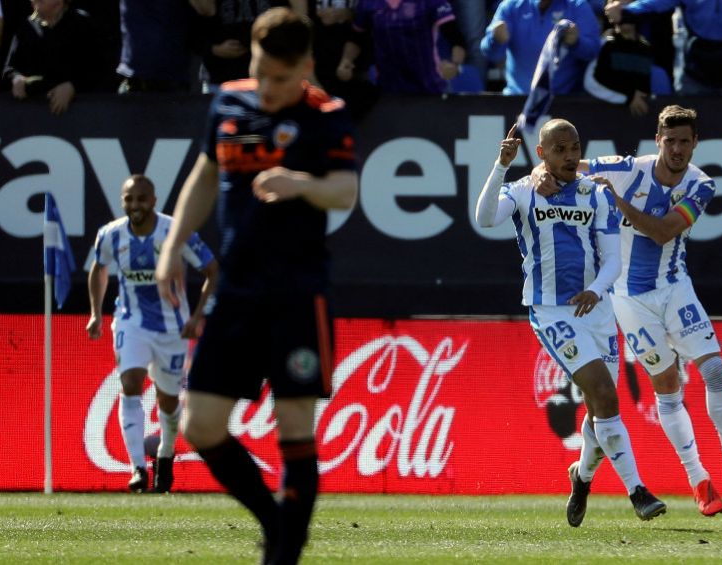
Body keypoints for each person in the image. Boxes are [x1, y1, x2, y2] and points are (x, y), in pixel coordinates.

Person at [156, 8, 358, 563]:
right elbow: (205, 174)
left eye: (281, 78)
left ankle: (284, 551)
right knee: (199, 425)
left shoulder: (327, 114)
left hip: (297, 293)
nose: (268, 88)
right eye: (261, 72)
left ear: (307, 68)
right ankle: (277, 523)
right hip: (235, 294)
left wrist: (300, 183)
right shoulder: (226, 101)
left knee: (294, 423)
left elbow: (344, 190)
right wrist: (173, 248)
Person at [534, 105, 722, 517]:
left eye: (685, 141)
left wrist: (617, 202)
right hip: (628, 299)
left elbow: (662, 233)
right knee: (666, 386)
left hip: (675, 286)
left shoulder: (702, 185)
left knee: (714, 370)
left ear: (696, 143)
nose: (677, 149)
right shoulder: (627, 167)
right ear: (657, 141)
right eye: (670, 140)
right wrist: (539, 174)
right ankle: (698, 479)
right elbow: (565, 162)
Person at [475, 118, 667, 527]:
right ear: (541, 153)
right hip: (552, 311)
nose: (569, 156)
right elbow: (485, 218)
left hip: (596, 308)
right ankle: (638, 491)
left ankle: (581, 478)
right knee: (603, 393)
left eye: (574, 147)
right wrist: (501, 166)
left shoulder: (595, 193)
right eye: (559, 149)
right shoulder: (525, 190)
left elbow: (613, 258)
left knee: (602, 408)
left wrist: (597, 289)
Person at [87, 174, 218, 493]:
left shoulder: (175, 232)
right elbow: (98, 269)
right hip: (130, 321)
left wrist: (198, 316)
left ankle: (165, 453)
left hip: (172, 328)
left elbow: (213, 271)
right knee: (130, 383)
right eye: (129, 199)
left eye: (141, 199)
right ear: (122, 201)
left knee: (168, 400)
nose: (135, 205)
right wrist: (95, 313)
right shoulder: (110, 234)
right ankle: (137, 468)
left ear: (154, 201)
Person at [3, 0, 114, 114]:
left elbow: (100, 68)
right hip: (33, 114)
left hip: (80, 114)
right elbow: (9, 68)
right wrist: (16, 78)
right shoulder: (27, 27)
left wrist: (73, 87)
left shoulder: (82, 23)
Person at [338, 0, 466, 94]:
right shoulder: (367, 4)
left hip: (430, 89)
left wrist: (455, 65)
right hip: (387, 92)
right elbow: (356, 39)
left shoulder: (432, 2)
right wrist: (346, 60)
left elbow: (457, 40)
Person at [480, 0, 600, 95]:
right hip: (517, 100)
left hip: (564, 102)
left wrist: (577, 43)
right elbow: (492, 55)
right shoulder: (510, 6)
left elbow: (593, 51)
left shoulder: (577, 6)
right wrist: (495, 40)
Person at [583, 12, 655, 116]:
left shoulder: (645, 47)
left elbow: (643, 87)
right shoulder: (605, 44)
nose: (623, 12)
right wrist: (628, 97)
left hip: (636, 116)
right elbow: (592, 82)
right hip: (602, 114)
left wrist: (634, 97)